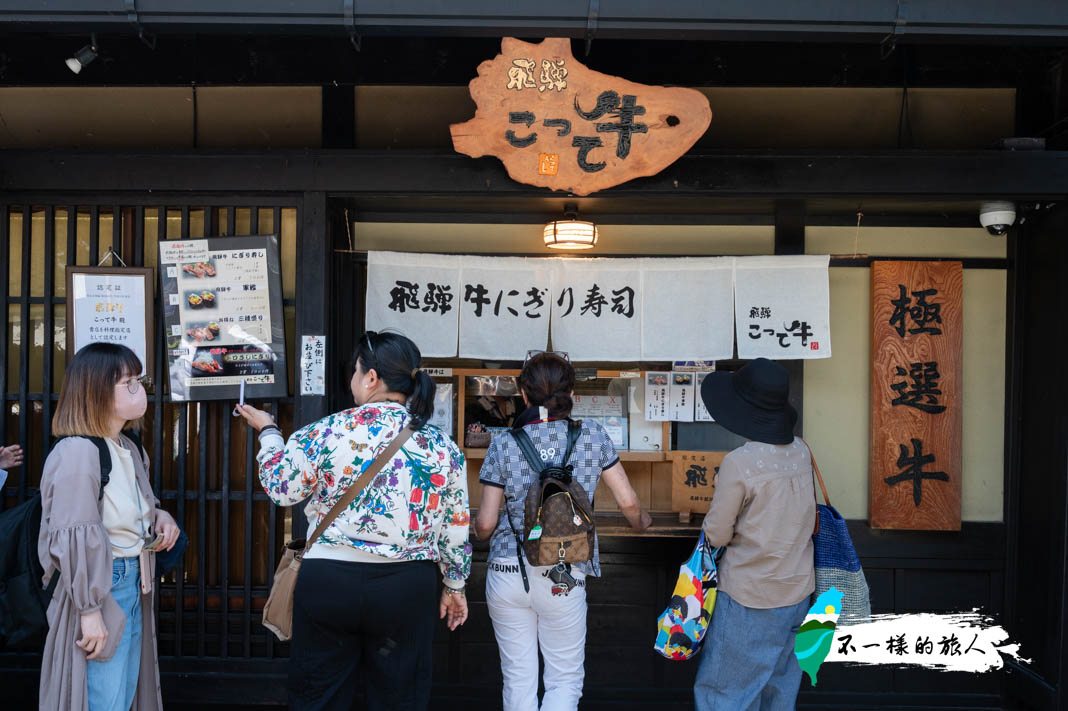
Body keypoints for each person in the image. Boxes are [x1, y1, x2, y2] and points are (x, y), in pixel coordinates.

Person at [236, 330, 471, 711]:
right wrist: (454, 585)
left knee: (319, 696)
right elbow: (456, 525)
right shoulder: (441, 445)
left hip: (330, 583)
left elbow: (283, 489)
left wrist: (268, 432)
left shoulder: (325, 431)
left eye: (355, 371)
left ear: (372, 378)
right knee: (400, 697)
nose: (352, 380)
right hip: (405, 587)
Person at [474, 351, 652, 711]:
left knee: (518, 679)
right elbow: (629, 504)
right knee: (564, 679)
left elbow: (486, 524)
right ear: (572, 392)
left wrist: (481, 534)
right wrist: (642, 523)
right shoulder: (593, 435)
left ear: (524, 395)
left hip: (509, 572)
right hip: (565, 572)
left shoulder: (505, 443)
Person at [37, 343, 181, 711]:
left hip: (131, 577)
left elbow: (132, 509)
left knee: (122, 692)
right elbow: (72, 535)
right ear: (98, 391)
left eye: (139, 380)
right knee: (104, 696)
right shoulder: (77, 451)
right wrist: (88, 611)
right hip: (104, 583)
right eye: (129, 382)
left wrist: (159, 517)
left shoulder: (127, 446)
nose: (140, 389)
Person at [693, 358, 816, 711]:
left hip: (750, 597)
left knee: (725, 696)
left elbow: (716, 534)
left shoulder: (740, 462)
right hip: (798, 593)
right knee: (778, 694)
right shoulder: (802, 451)